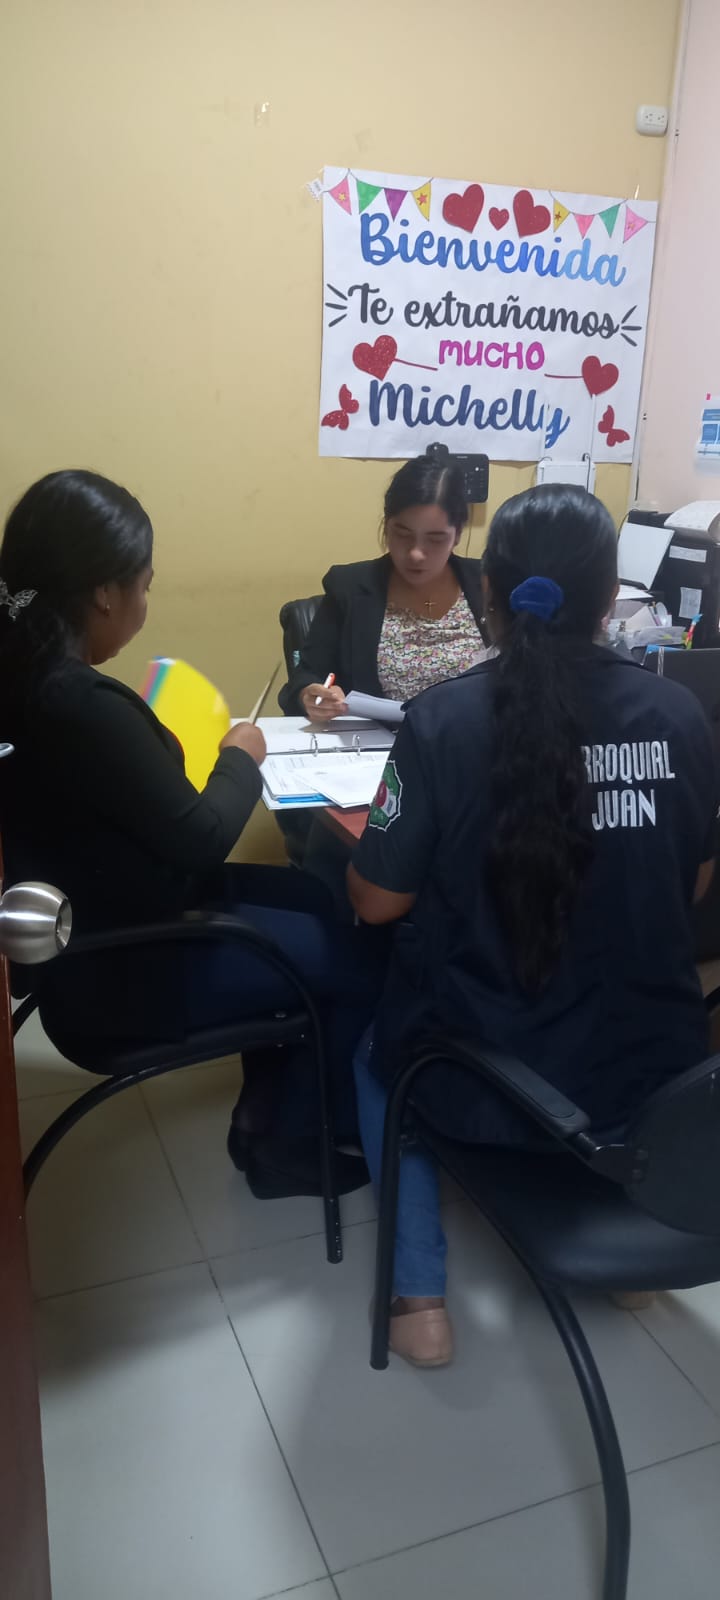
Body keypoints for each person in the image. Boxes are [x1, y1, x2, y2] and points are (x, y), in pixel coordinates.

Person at [347, 483, 718, 1368]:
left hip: (489, 1082)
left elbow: (376, 902)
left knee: (375, 1054)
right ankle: (632, 1261)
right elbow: (694, 883)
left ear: (490, 594)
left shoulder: (443, 721)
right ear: (609, 599)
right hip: (654, 1081)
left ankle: (418, 1299)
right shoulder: (678, 714)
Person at [0, 470, 385, 1196]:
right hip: (123, 966)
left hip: (103, 919)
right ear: (104, 592)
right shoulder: (77, 703)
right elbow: (202, 835)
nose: (144, 605)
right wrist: (240, 755)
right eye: (143, 587)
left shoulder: (27, 677)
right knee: (360, 963)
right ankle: (291, 1144)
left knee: (315, 897)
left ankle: (265, 1115)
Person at [278, 454, 488, 721]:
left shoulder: (488, 584)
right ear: (386, 525)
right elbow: (305, 677)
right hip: (379, 742)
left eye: (435, 539)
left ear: (457, 535)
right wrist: (310, 695)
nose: (416, 554)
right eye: (402, 534)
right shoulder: (349, 587)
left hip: (473, 739)